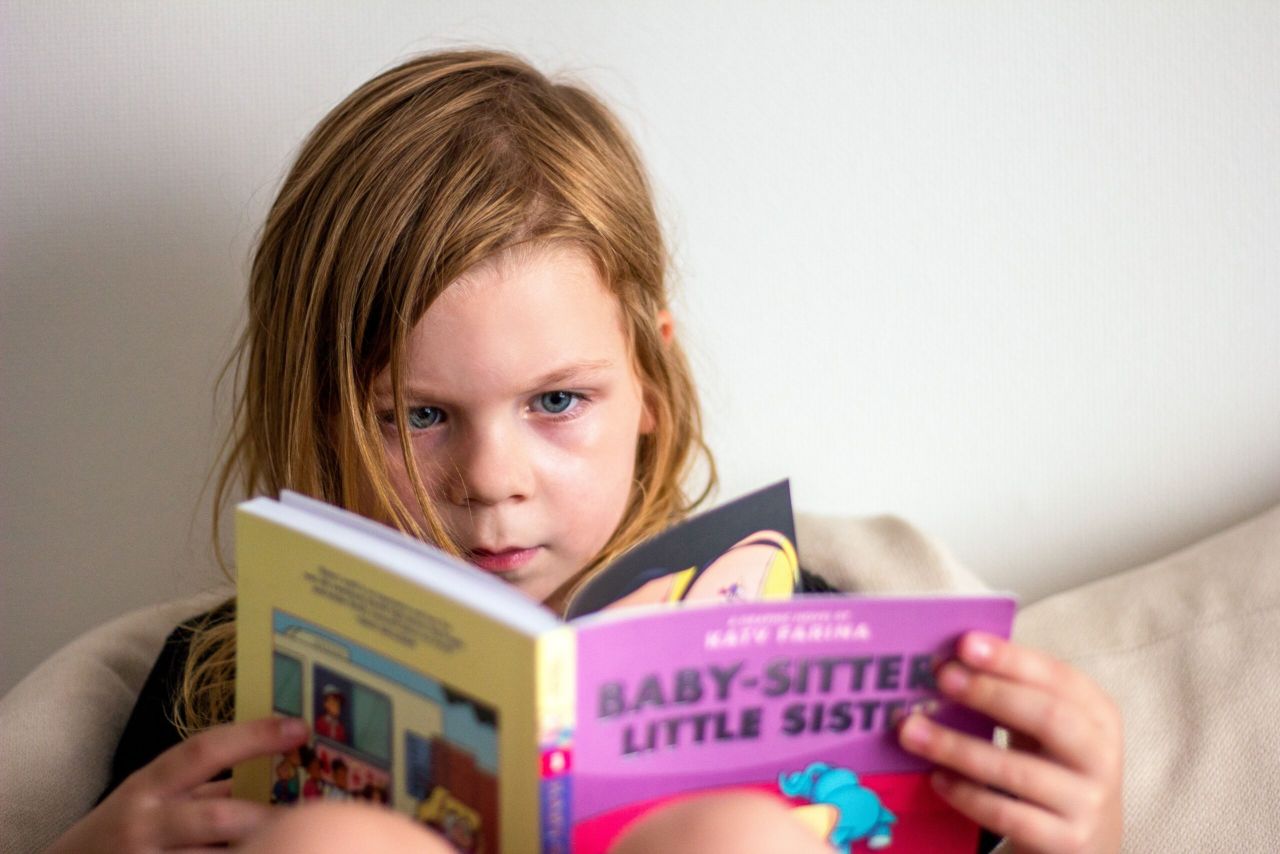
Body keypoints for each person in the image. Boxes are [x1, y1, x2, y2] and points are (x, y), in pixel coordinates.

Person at [48, 49, 1122, 853]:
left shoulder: (790, 614)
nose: (490, 478)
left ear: (649, 382)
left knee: (735, 838)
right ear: (318, 411)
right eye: (412, 415)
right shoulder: (213, 675)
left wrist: (1083, 828)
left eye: (555, 399)